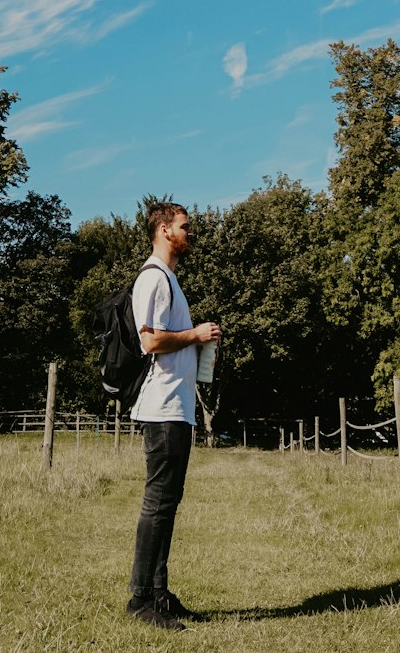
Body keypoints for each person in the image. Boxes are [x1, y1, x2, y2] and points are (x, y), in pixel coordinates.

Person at [127, 200, 221, 632]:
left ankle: (160, 594)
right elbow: (151, 342)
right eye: (184, 226)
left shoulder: (170, 279)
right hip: (162, 407)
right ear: (165, 230)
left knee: (169, 504)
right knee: (158, 504)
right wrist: (195, 334)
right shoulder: (153, 278)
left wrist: (197, 342)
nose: (189, 232)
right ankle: (141, 599)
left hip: (177, 408)